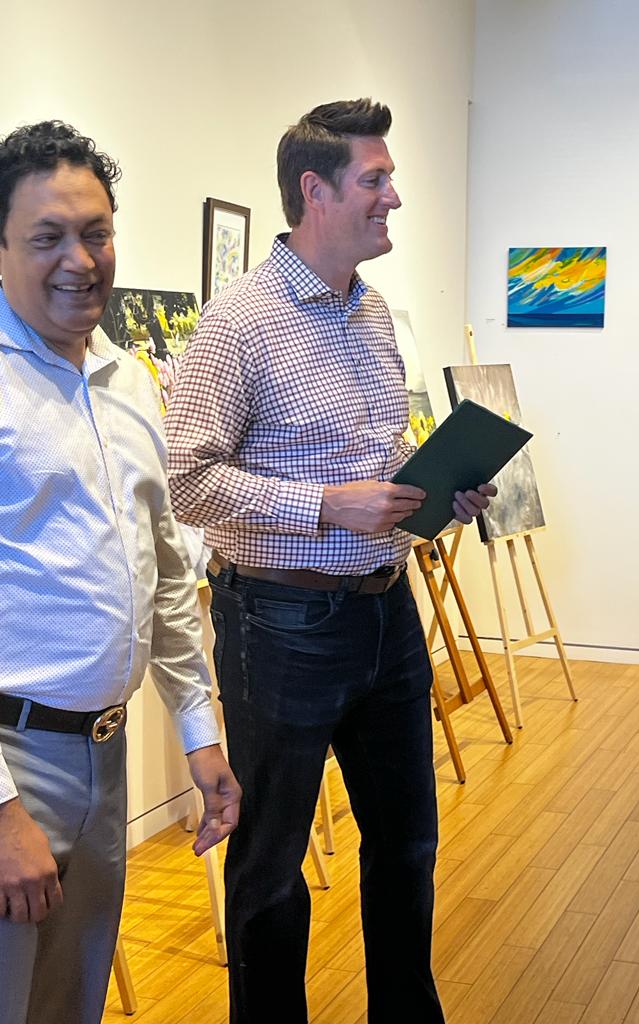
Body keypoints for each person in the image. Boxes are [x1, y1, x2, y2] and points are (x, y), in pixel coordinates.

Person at [165, 98, 495, 1024]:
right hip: (281, 623)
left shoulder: (374, 312)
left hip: (388, 610)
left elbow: (377, 460)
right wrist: (322, 504)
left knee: (408, 845)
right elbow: (186, 480)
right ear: (315, 191)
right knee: (272, 865)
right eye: (375, 179)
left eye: (391, 177)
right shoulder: (237, 324)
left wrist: (437, 491)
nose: (394, 196)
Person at [0, 121, 241, 1024]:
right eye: (47, 237)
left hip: (104, 757)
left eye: (95, 233)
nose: (80, 260)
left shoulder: (132, 383)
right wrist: (1, 812)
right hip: (15, 761)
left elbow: (165, 572)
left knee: (71, 1003)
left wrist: (199, 733)